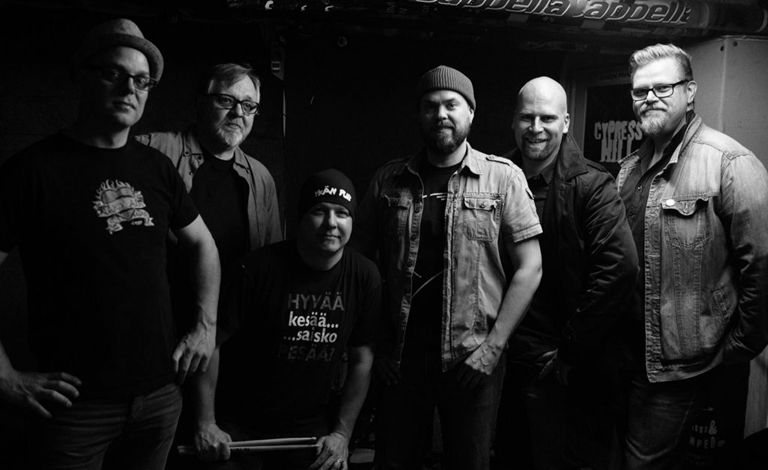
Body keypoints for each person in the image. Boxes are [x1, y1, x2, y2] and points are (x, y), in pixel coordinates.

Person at [0, 18, 220, 470]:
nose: (129, 89)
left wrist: (206, 325)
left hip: (160, 397)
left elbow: (204, 246)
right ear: (82, 75)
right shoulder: (31, 171)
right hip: (75, 408)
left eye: (142, 80)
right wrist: (4, 376)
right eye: (113, 73)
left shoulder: (157, 168)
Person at [357, 65, 543, 470]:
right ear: (419, 114)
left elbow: (531, 268)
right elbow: (359, 268)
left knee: (469, 462)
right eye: (430, 106)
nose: (440, 114)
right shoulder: (389, 180)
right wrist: (377, 345)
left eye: (451, 104)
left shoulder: (503, 178)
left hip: (472, 360)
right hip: (401, 361)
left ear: (470, 113)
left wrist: (493, 349)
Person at [617, 43, 768, 469]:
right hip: (629, 358)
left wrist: (736, 347)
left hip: (684, 368)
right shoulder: (629, 168)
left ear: (690, 92)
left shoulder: (730, 162)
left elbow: (762, 266)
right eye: (640, 91)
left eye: (662, 88)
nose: (649, 98)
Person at [136, 63, 282, 458]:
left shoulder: (259, 178)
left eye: (249, 106)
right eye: (226, 101)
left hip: (227, 345)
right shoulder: (154, 151)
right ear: (201, 103)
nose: (238, 113)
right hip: (157, 335)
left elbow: (271, 267)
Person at [191, 169, 381, 470]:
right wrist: (206, 423)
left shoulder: (365, 277)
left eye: (342, 213)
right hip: (241, 422)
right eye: (319, 211)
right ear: (301, 217)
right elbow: (209, 344)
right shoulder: (256, 270)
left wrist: (341, 434)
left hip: (310, 426)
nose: (331, 223)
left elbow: (362, 359)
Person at [499, 76, 637, 470]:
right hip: (507, 357)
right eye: (527, 117)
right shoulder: (496, 177)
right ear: (513, 121)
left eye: (546, 118)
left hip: (563, 364)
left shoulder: (592, 184)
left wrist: (571, 349)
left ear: (565, 122)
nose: (536, 128)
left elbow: (619, 269)